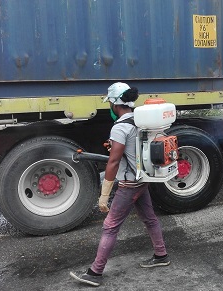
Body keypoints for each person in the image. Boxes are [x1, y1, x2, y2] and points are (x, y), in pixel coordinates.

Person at [70, 82, 170, 287]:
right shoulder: (140, 121)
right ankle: (161, 255)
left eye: (110, 104)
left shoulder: (120, 126)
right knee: (149, 218)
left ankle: (95, 273)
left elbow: (114, 162)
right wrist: (115, 146)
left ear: (115, 105)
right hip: (143, 179)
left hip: (129, 183)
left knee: (110, 226)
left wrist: (104, 195)